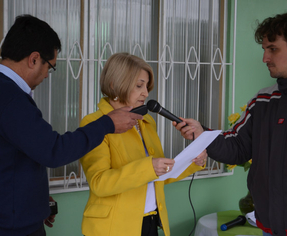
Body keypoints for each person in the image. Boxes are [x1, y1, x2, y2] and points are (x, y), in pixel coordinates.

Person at [0, 15, 142, 236]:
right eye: (49, 68)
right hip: (6, 228)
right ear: (34, 59)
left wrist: (37, 197)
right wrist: (107, 123)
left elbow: (6, 158)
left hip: (2, 217)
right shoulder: (8, 99)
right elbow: (54, 150)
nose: (45, 76)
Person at [173, 12, 287, 236]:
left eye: (272, 49)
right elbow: (237, 148)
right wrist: (201, 133)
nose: (265, 58)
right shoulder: (263, 100)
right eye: (264, 49)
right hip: (269, 226)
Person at [79, 52, 207, 236]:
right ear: (115, 85)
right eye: (139, 85)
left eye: (146, 86)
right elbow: (100, 183)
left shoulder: (146, 122)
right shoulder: (95, 123)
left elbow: (157, 175)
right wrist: (149, 167)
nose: (146, 93)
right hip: (113, 228)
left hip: (150, 222)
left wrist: (193, 161)